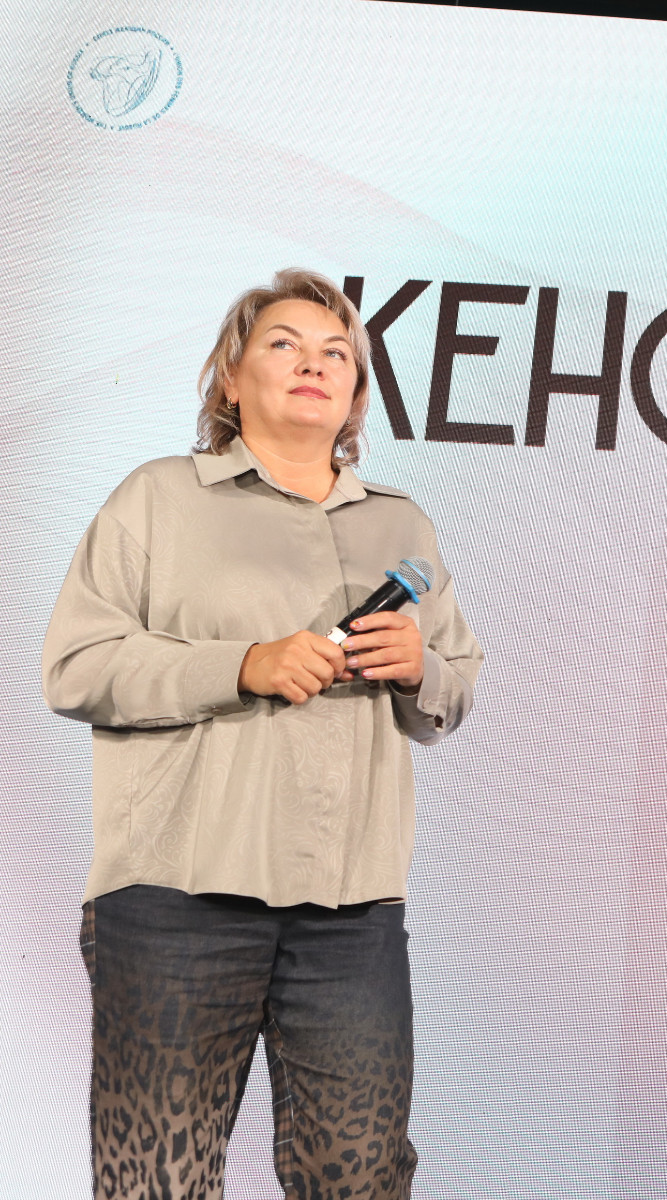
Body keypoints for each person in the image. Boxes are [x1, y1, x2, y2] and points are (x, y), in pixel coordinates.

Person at [43, 269, 483, 1199]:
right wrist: (241, 665)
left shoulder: (400, 524)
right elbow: (76, 666)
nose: (313, 364)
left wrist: (421, 668)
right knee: (155, 1179)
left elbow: (453, 690)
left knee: (361, 1179)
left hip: (352, 911)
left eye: (336, 355)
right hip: (176, 897)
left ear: (356, 397)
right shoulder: (159, 497)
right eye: (284, 344)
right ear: (231, 378)